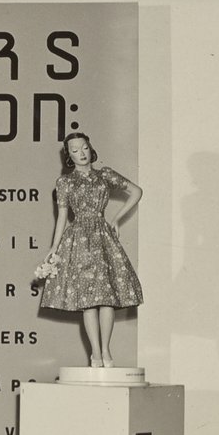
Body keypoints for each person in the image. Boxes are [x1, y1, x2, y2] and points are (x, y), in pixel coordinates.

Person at [30, 128, 145, 367]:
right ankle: (95, 353)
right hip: (79, 239)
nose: (81, 153)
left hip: (103, 237)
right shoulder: (65, 182)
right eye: (75, 150)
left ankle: (106, 350)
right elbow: (62, 216)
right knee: (88, 299)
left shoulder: (104, 175)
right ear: (68, 155)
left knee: (107, 297)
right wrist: (54, 247)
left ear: (91, 149)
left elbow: (136, 192)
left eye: (84, 148)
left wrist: (116, 219)